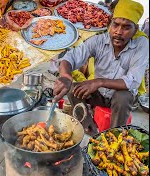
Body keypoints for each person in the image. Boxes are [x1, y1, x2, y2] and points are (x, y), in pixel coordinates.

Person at [53, 0, 149, 131]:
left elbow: (133, 81)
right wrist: (65, 76)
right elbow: (71, 57)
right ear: (110, 23)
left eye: (126, 27)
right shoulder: (99, 40)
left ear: (135, 29)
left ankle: (114, 134)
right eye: (115, 25)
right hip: (99, 94)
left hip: (120, 98)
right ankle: (88, 127)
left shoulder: (141, 44)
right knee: (73, 89)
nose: (119, 32)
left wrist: (99, 81)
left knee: (123, 97)